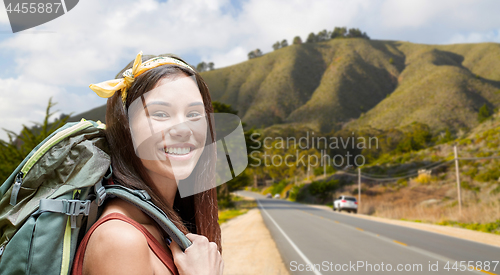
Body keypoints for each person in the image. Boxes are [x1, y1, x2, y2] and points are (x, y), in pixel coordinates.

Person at [71, 51, 223, 275]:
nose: (183, 129)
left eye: (194, 114)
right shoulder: (120, 240)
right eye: (161, 113)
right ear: (126, 126)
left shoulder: (164, 226)